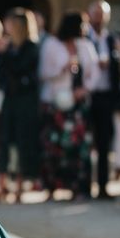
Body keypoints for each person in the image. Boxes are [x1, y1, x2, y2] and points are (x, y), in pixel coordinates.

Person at [39, 11, 99, 199]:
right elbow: (43, 72)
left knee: (79, 146)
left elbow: (94, 73)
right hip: (55, 101)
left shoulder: (86, 46)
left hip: (78, 104)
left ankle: (78, 187)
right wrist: (61, 69)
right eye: (82, 25)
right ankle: (52, 187)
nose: (85, 29)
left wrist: (85, 89)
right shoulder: (52, 44)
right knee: (54, 145)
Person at [0, 8, 41, 203]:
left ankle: (21, 185)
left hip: (25, 102)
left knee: (23, 141)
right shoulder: (9, 48)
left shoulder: (31, 47)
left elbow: (20, 69)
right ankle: (4, 183)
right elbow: (2, 71)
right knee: (5, 139)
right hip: (10, 100)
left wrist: (6, 60)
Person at [86, 0, 120, 199]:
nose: (99, 18)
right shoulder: (83, 37)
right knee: (85, 141)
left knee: (104, 143)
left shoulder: (112, 39)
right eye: (96, 14)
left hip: (106, 97)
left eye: (103, 15)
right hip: (87, 96)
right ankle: (84, 186)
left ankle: (102, 186)